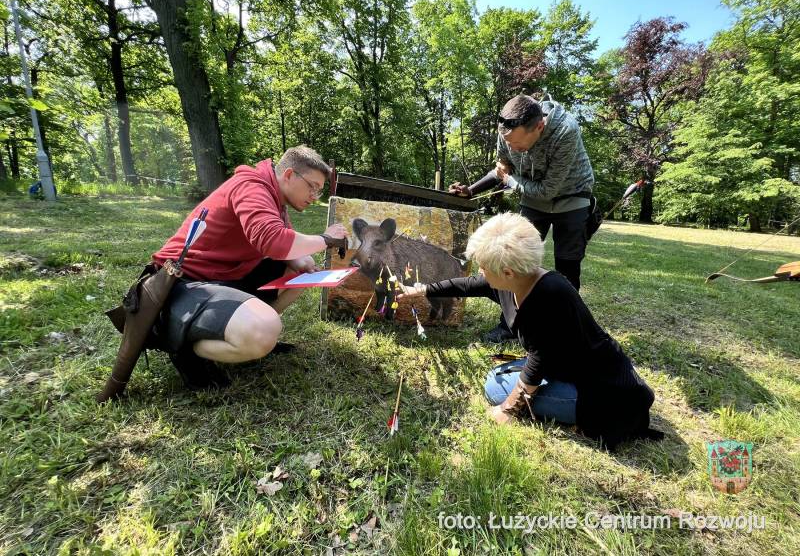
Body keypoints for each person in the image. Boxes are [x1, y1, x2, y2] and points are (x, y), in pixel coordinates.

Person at [399, 213, 662, 451]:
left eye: (483, 266)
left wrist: (508, 410)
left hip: (601, 390)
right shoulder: (512, 281)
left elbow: (540, 359)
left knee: (495, 387)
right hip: (566, 364)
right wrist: (420, 290)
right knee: (499, 375)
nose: (479, 271)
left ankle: (589, 416)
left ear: (507, 271)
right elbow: (468, 285)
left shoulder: (550, 296)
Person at [150, 145, 348, 389]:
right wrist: (326, 240)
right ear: (288, 175)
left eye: (319, 191)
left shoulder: (276, 201)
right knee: (264, 330)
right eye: (313, 187)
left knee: (301, 272)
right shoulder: (252, 186)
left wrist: (300, 261)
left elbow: (280, 245)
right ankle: (184, 346)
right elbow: (272, 240)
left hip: (224, 278)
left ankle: (244, 332)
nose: (314, 196)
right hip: (182, 284)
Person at [449, 94, 595, 342]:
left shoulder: (565, 131)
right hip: (531, 199)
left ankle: (565, 330)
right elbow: (502, 168)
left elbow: (545, 190)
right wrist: (471, 190)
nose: (514, 149)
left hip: (572, 198)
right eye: (509, 143)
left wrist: (509, 180)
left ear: (539, 126)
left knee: (567, 268)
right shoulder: (506, 130)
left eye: (519, 145)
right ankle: (509, 326)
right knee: (512, 264)